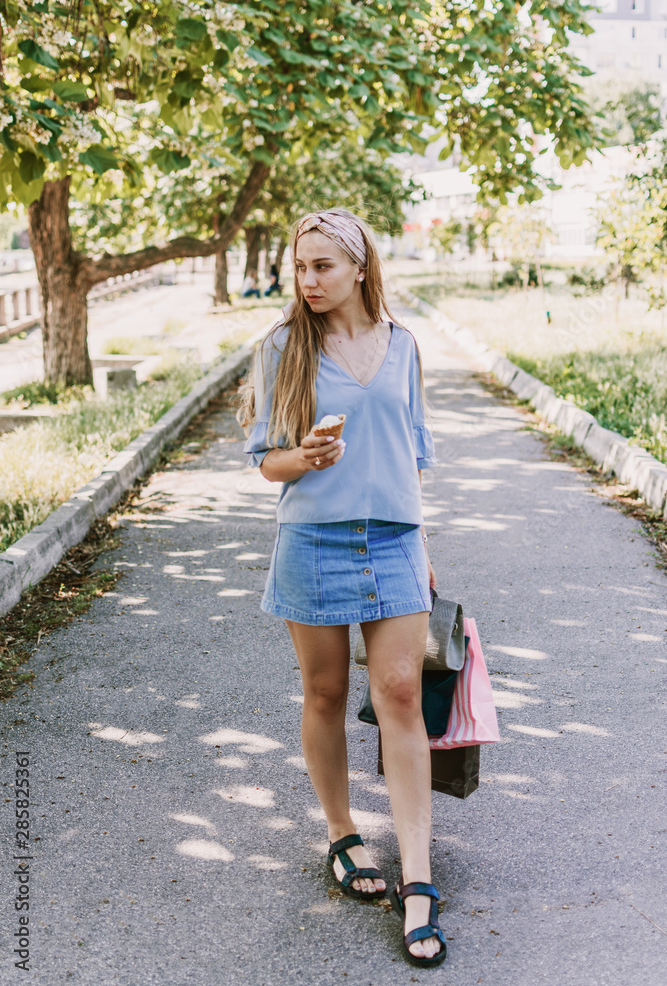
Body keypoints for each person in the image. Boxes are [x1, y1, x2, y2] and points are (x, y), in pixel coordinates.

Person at [237, 208, 446, 968]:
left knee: (398, 692)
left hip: (392, 540)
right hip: (314, 541)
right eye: (301, 267)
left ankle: (417, 877)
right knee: (324, 694)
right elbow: (266, 463)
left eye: (323, 266)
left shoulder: (404, 346)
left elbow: (411, 457)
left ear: (359, 267)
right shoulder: (283, 348)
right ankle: (342, 835)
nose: (308, 281)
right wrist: (307, 456)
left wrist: (422, 550)